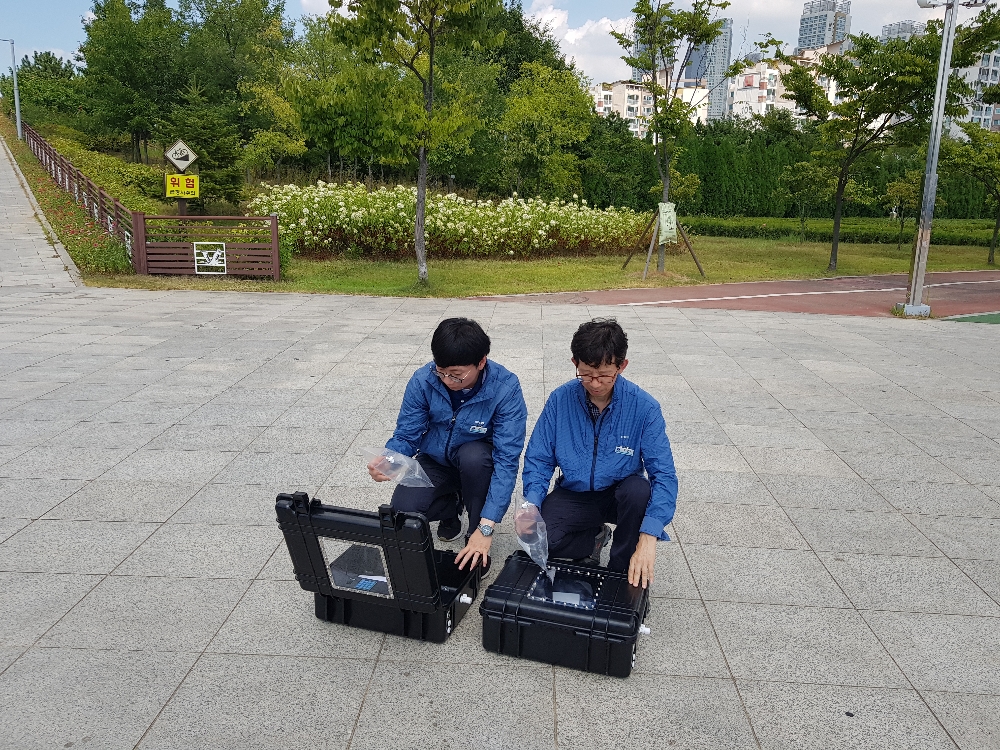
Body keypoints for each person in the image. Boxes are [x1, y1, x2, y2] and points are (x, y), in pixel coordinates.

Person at [520, 318, 677, 589]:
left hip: (620, 494)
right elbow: (539, 458)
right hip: (575, 493)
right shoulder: (560, 400)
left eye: (604, 375)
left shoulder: (644, 407)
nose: (594, 383)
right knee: (538, 543)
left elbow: (664, 475)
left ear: (622, 366)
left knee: (639, 490)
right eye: (585, 374)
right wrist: (530, 505)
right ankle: (594, 537)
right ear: (575, 363)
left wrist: (649, 535)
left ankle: (620, 566)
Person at [368, 317, 527, 572]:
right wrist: (389, 460)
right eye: (441, 371)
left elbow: (506, 461)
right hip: (435, 461)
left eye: (456, 375)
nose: (447, 381)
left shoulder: (505, 389)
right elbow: (407, 434)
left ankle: (475, 542)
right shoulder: (423, 379)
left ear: (481, 362)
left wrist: (486, 527)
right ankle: (452, 505)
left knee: (475, 457)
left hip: (477, 464)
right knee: (403, 510)